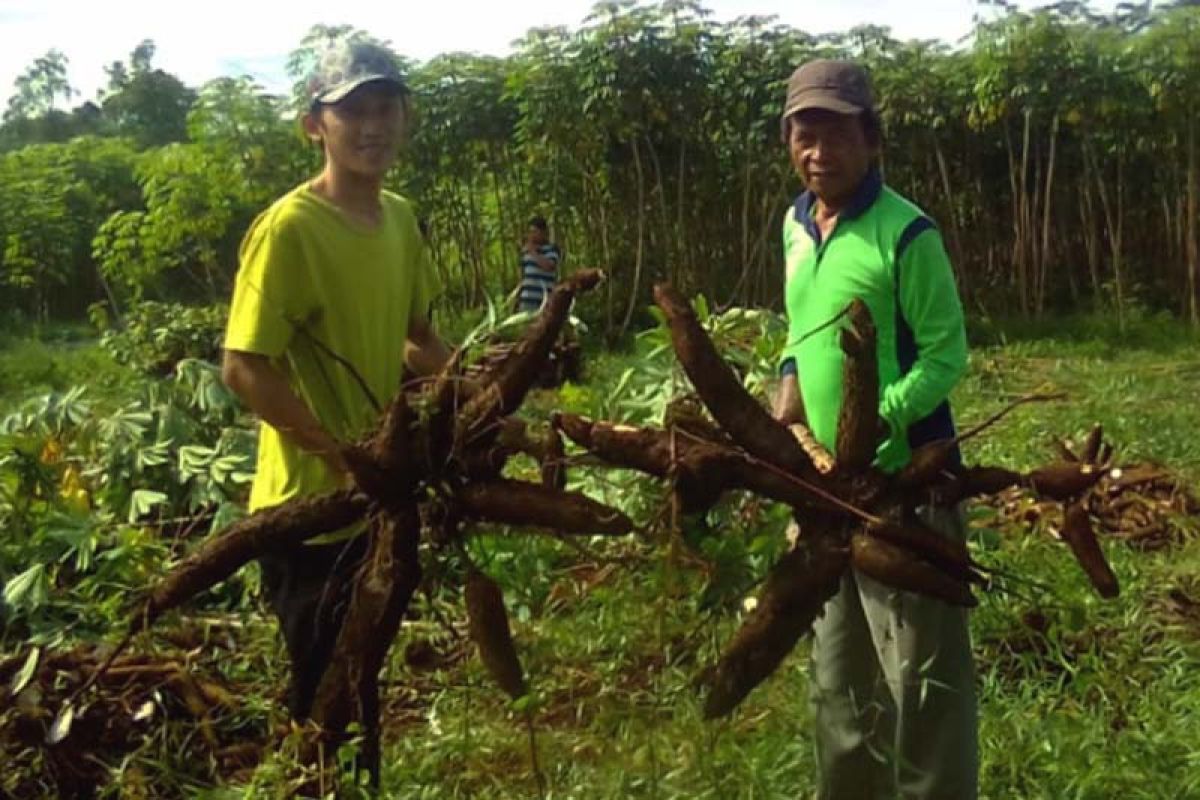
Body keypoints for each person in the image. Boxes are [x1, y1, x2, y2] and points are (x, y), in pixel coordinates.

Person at [220, 38, 452, 727]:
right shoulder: (290, 229)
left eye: (387, 107)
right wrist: (339, 453)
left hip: (373, 504)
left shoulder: (401, 220)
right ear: (314, 124)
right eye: (353, 111)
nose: (374, 126)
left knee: (362, 691)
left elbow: (420, 339)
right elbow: (243, 366)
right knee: (324, 704)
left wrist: (488, 394)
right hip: (307, 515)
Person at [771, 59, 976, 800]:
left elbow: (947, 352)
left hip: (905, 493)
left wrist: (869, 426)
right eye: (804, 133)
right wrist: (787, 393)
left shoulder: (907, 232)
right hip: (824, 494)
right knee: (839, 687)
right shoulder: (795, 225)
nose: (818, 151)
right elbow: (799, 332)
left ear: (873, 139)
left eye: (835, 133)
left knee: (923, 689)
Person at [517, 215, 561, 312]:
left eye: (535, 232)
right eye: (530, 232)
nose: (532, 235)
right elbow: (522, 277)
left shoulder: (552, 249)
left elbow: (549, 266)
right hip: (527, 302)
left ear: (543, 232)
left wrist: (533, 252)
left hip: (545, 302)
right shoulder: (525, 252)